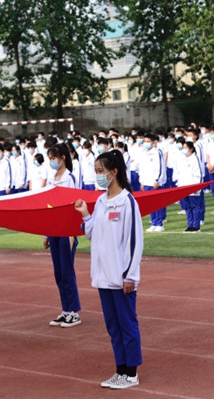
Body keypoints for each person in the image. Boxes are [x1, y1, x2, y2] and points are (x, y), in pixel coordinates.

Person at [75, 150, 144, 390]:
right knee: (113, 326)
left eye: (100, 171)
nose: (97, 176)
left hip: (121, 277)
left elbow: (135, 242)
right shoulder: (101, 201)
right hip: (103, 276)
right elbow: (94, 234)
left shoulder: (127, 202)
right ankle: (120, 369)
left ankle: (131, 372)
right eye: (95, 171)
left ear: (114, 172)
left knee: (127, 324)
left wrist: (130, 276)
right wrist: (86, 215)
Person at [45, 143, 82, 328]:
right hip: (54, 230)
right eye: (50, 158)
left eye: (54, 158)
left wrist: (71, 232)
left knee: (67, 272)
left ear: (63, 158)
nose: (52, 161)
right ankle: (65, 310)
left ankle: (74, 312)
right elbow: (48, 206)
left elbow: (75, 206)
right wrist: (46, 234)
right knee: (58, 272)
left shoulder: (70, 178)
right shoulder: (51, 178)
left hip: (67, 232)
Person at [174, 141, 203, 233]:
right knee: (187, 207)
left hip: (192, 186)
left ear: (191, 149)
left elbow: (198, 174)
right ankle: (190, 225)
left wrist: (196, 186)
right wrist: (179, 185)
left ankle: (196, 226)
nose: (184, 149)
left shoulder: (195, 159)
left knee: (195, 207)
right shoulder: (181, 159)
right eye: (183, 147)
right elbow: (179, 173)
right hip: (183, 186)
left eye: (186, 148)